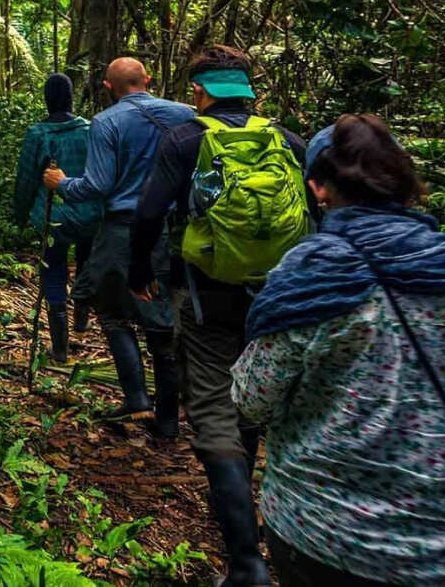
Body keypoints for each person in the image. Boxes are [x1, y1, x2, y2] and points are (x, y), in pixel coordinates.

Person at [233, 114, 445, 586]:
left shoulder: (307, 278)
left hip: (323, 535)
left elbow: (251, 398)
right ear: (408, 186)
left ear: (319, 190)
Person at [129, 44, 307, 586]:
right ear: (249, 89)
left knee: (211, 408)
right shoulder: (289, 141)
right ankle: (236, 500)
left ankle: (246, 561)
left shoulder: (185, 138)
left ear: (201, 92)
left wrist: (141, 271)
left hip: (205, 296)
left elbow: (149, 211)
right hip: (276, 299)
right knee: (251, 399)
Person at [43, 57, 193, 423]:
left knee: (112, 315)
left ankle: (138, 399)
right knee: (161, 323)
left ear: (107, 87)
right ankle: (169, 420)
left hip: (124, 229)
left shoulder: (107, 122)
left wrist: (61, 183)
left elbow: (98, 185)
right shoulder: (186, 115)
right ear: (148, 79)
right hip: (174, 231)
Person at [12, 74, 101, 362]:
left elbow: (26, 179)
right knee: (86, 262)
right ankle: (82, 321)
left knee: (53, 271)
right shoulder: (89, 128)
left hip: (54, 217)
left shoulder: (38, 134)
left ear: (46, 99)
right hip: (90, 213)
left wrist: (20, 215)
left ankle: (60, 347)